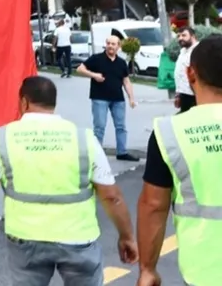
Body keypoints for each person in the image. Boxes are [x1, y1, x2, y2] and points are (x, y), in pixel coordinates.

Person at [0, 76, 137, 284]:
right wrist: (126, 236)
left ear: (23, 102)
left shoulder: (2, 137)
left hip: (26, 238)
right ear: (53, 103)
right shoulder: (84, 138)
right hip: (78, 237)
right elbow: (111, 196)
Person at [135, 35, 222, 286]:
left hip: (206, 272)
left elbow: (153, 206)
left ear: (190, 74)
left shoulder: (170, 132)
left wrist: (147, 269)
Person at [77, 34, 140, 162]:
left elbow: (126, 81)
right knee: (99, 127)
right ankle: (97, 154)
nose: (110, 46)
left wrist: (131, 98)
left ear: (118, 46)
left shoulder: (121, 62)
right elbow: (80, 69)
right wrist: (94, 75)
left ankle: (122, 152)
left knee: (121, 127)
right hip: (99, 98)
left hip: (118, 99)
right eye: (108, 43)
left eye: (113, 44)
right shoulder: (97, 59)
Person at [173, 27, 199, 113]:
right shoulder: (183, 52)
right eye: (179, 36)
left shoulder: (198, 51)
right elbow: (180, 74)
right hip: (184, 94)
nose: (180, 38)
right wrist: (178, 94)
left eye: (184, 35)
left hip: (195, 95)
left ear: (193, 36)